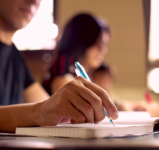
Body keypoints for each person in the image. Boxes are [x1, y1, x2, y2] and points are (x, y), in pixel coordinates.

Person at [0, 0, 118, 133]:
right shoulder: (64, 66)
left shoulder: (15, 57)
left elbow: (46, 104)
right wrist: (41, 112)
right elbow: (43, 110)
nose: (33, 1)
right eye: (98, 44)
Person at [43, 13, 110, 95]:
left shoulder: (87, 71)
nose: (103, 50)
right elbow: (70, 102)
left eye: (103, 45)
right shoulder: (64, 67)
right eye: (97, 44)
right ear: (81, 43)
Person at [92, 63, 159, 117]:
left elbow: (116, 105)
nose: (106, 83)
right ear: (92, 79)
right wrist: (121, 105)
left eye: (108, 80)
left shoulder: (114, 101)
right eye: (101, 79)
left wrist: (130, 105)